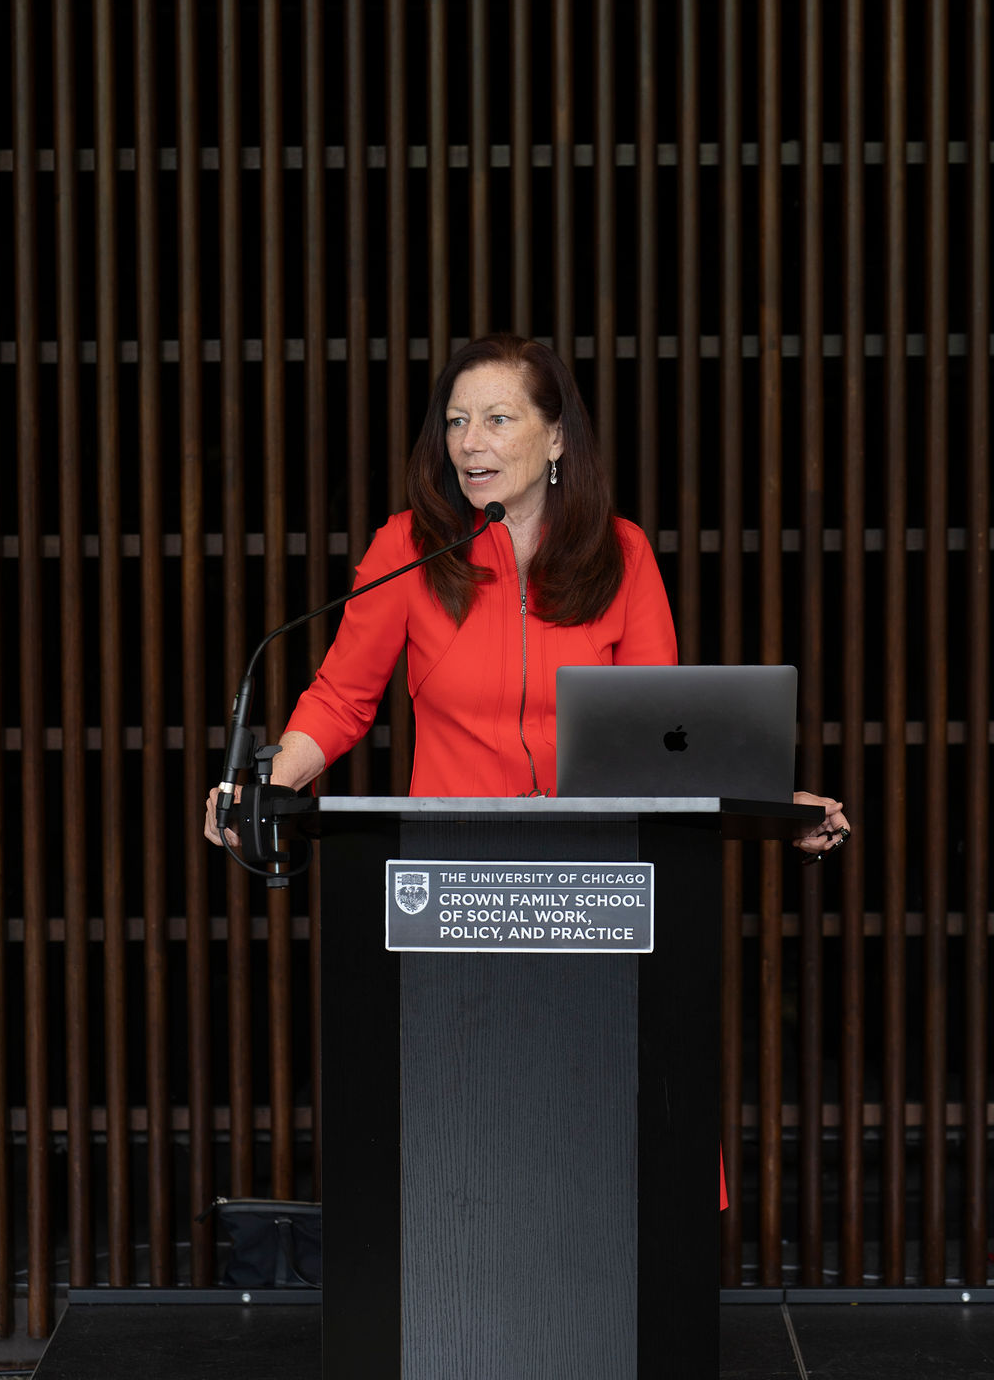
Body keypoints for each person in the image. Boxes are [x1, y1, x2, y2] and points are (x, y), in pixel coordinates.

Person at [204, 333, 851, 1204]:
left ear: (554, 439)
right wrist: (264, 784)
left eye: (498, 419)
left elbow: (666, 735)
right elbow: (340, 701)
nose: (470, 441)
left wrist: (774, 799)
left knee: (607, 1124)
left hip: (595, 875)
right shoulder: (409, 549)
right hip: (452, 878)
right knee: (472, 1131)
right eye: (457, 421)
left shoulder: (620, 555)